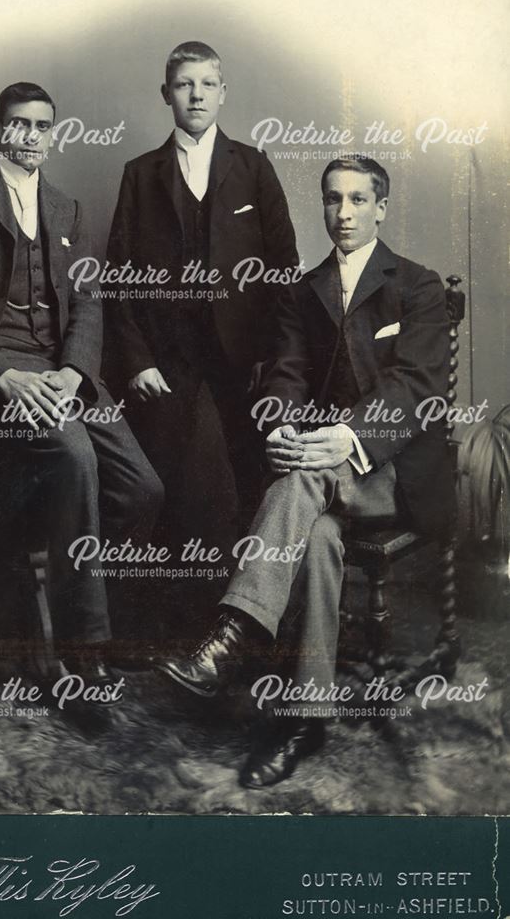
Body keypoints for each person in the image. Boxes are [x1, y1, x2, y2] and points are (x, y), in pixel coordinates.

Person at [156, 156, 456, 787]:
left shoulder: (420, 286)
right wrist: (285, 428)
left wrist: (345, 439)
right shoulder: (303, 289)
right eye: (330, 200)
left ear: (380, 207)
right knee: (316, 538)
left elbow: (415, 388)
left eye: (355, 200)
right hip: (319, 477)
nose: (342, 214)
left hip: (392, 471)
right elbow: (286, 373)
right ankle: (305, 719)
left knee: (302, 480)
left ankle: (233, 632)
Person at [0, 81, 162, 684]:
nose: (31, 137)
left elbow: (88, 303)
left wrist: (74, 374)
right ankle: (84, 653)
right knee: (77, 459)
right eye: (19, 125)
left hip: (62, 373)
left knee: (142, 489)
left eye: (42, 126)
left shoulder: (68, 210)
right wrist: (4, 377)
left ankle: (81, 603)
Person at [104, 41, 298, 550]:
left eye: (207, 84)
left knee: (245, 479)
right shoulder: (140, 174)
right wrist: (137, 361)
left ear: (223, 93)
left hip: (242, 359)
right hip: (167, 361)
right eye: (184, 84)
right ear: (165, 93)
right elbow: (118, 277)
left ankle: (244, 611)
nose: (196, 95)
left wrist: (272, 357)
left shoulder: (254, 167)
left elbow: (284, 270)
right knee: (177, 488)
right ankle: (176, 613)